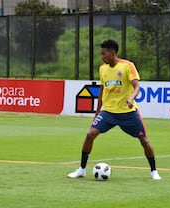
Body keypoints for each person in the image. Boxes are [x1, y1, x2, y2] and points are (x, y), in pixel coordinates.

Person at [67, 39, 161, 180]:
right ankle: (81, 169)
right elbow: (102, 90)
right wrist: (97, 112)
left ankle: (154, 171)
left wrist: (131, 99)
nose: (102, 56)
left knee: (144, 141)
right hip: (109, 112)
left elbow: (137, 87)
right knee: (90, 135)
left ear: (112, 53)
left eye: (104, 54)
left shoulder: (127, 66)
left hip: (128, 113)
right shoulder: (102, 68)